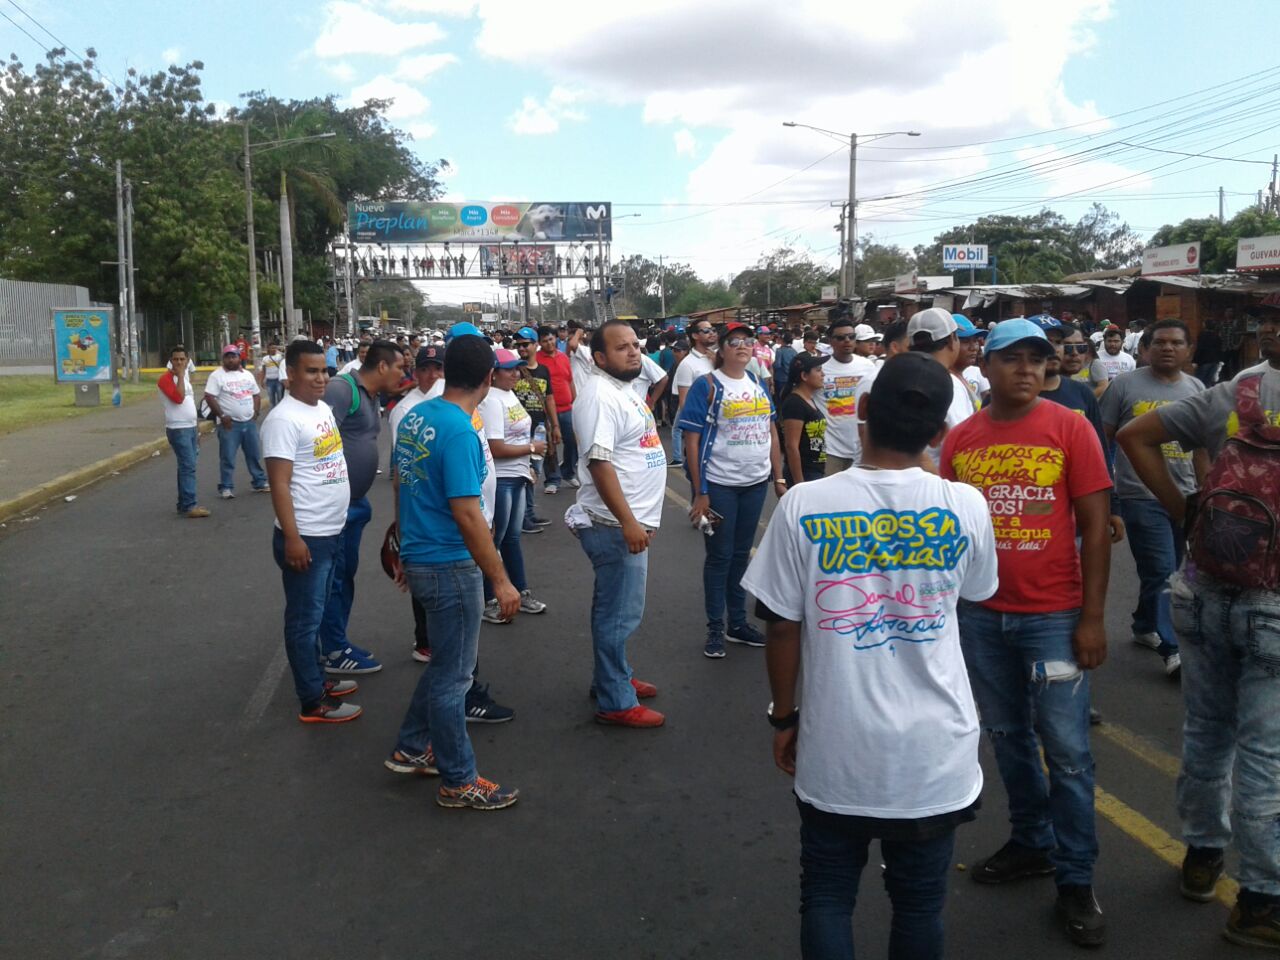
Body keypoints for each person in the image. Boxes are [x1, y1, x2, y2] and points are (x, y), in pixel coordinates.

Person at [742, 352, 999, 960]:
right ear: (939, 432)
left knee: (828, 896)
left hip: (839, 745)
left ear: (861, 415)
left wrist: (784, 717)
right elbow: (976, 594)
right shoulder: (966, 506)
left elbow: (782, 626)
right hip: (935, 753)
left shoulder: (805, 504)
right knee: (919, 902)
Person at [940, 318, 1114, 948]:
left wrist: (1091, 618)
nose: (1026, 369)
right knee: (1009, 737)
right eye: (1012, 359)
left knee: (1067, 754)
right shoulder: (961, 439)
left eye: (1037, 360)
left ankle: (1075, 878)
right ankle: (1031, 843)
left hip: (1053, 617)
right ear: (983, 367)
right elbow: (950, 535)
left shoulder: (1070, 427)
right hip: (982, 616)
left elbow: (1096, 526)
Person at [1117, 313, 1280, 949]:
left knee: (1208, 732)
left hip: (1201, 587)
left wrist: (1183, 512)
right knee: (1266, 756)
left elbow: (1134, 436)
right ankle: (1262, 900)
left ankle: (1202, 858)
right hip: (1272, 604)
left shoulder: (1234, 393)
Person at [384, 334, 521, 809]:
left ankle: (410, 744)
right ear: (488, 378)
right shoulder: (461, 431)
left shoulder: (417, 416)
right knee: (455, 678)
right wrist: (501, 580)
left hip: (423, 555)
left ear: (444, 372)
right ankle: (459, 779)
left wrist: (404, 545)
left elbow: (404, 485)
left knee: (444, 665)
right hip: (448, 563)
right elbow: (467, 513)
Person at [570, 320, 667, 728]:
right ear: (599, 358)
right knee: (619, 614)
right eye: (622, 347)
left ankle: (612, 676)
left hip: (627, 521)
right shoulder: (598, 395)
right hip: (612, 524)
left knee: (615, 609)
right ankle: (615, 699)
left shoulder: (623, 389)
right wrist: (629, 522)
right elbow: (599, 462)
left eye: (635, 345)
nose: (633, 352)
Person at [1100, 319, 1206, 679]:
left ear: (1189, 351)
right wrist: (1106, 490)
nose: (1167, 348)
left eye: (1176, 343)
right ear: (1144, 348)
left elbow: (1204, 446)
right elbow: (1104, 440)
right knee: (1162, 569)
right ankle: (1174, 650)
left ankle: (1144, 624)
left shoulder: (1197, 388)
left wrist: (1205, 492)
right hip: (1138, 493)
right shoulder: (1123, 386)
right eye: (1159, 342)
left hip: (1186, 494)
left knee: (1176, 568)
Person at [261, 339, 360, 724]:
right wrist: (293, 537)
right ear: (290, 375)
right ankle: (312, 700)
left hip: (330, 529)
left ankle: (318, 677)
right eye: (310, 371)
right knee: (303, 620)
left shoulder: (320, 409)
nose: (320, 378)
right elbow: (280, 484)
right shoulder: (284, 420)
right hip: (307, 536)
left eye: (324, 370)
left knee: (316, 615)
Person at [680, 323, 786, 659]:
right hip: (721, 485)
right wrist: (701, 491)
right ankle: (715, 627)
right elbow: (692, 440)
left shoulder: (756, 382)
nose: (743, 346)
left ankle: (737, 623)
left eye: (747, 341)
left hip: (755, 484)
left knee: (742, 555)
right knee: (720, 557)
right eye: (734, 342)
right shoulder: (707, 385)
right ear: (721, 350)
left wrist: (778, 475)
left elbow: (771, 429)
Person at [313, 340, 405, 676]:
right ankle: (333, 650)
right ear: (382, 367)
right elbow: (316, 440)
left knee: (343, 576)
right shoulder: (342, 390)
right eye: (399, 368)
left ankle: (336, 642)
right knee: (334, 579)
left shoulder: (370, 394)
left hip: (353, 504)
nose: (403, 374)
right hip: (336, 508)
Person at [478, 348, 549, 624]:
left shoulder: (509, 396)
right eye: (508, 369)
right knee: (493, 541)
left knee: (512, 539)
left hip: (517, 476)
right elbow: (495, 447)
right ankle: (489, 599)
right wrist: (531, 448)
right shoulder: (491, 401)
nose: (515, 373)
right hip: (502, 479)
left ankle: (520, 592)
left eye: (517, 368)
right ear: (492, 373)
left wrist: (527, 464)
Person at [390, 345, 445, 664]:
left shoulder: (449, 403)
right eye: (426, 368)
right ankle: (423, 640)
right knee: (421, 570)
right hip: (419, 503)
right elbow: (401, 470)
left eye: (438, 368)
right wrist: (401, 522)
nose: (433, 375)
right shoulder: (405, 410)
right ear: (416, 372)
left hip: (445, 501)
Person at [906, 308, 976, 466]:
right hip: (938, 481)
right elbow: (963, 444)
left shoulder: (901, 377)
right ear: (952, 340)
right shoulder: (948, 384)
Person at [203, 344, 269, 499]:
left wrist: (256, 412)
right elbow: (209, 397)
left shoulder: (246, 374)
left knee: (254, 454)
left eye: (234, 356)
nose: (231, 359)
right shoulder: (217, 376)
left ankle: (259, 482)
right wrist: (222, 415)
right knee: (228, 457)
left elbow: (256, 394)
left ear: (240, 358)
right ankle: (226, 487)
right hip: (230, 424)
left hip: (249, 422)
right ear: (223, 359)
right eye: (228, 356)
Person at [512, 326, 558, 532]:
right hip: (517, 431)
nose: (521, 348)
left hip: (539, 428)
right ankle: (522, 518)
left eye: (525, 344)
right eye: (518, 345)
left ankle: (529, 514)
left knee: (534, 473)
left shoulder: (543, 370)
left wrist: (554, 426)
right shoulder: (513, 370)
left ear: (534, 345)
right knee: (524, 474)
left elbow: (549, 398)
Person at [156, 345, 209, 519]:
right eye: (175, 359)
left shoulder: (184, 379)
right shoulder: (165, 379)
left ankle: (183, 503)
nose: (179, 362)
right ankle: (189, 505)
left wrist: (197, 428)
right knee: (188, 466)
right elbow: (178, 399)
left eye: (182, 359)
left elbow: (189, 404)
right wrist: (178, 375)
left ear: (187, 361)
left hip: (190, 427)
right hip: (178, 429)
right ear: (170, 361)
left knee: (186, 466)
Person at [819, 318, 876, 475]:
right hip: (831, 451)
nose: (847, 341)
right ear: (831, 341)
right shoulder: (820, 369)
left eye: (851, 337)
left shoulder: (867, 366)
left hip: (862, 450)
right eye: (841, 337)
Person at [670, 318, 718, 470]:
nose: (711, 333)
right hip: (703, 426)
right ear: (695, 336)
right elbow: (684, 402)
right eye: (706, 331)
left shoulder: (717, 358)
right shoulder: (687, 364)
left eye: (713, 330)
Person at [538, 324, 577, 494]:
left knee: (573, 442)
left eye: (551, 339)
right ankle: (552, 480)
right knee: (550, 445)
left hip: (567, 408)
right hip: (546, 410)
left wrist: (576, 402)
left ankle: (567, 472)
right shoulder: (536, 360)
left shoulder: (563, 358)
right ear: (539, 343)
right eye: (545, 341)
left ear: (556, 339)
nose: (549, 343)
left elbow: (570, 381)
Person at [780, 353, 828, 485]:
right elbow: (791, 446)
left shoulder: (809, 399)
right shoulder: (795, 403)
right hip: (805, 474)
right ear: (804, 376)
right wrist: (799, 484)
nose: (823, 374)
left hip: (815, 470)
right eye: (818, 370)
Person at [1089, 326, 1135, 397]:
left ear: (1122, 342)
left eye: (1116, 341)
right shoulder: (1095, 358)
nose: (1112, 344)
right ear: (1104, 341)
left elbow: (1132, 382)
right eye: (1109, 341)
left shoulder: (1129, 359)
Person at [258, 341, 286, 408]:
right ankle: (272, 413)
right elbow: (263, 371)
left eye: (275, 348)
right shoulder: (265, 359)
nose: (274, 349)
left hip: (279, 381)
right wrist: (261, 381)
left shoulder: (280, 357)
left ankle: (280, 413)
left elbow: (285, 354)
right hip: (269, 382)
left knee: (280, 398)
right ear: (269, 349)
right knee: (271, 400)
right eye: (272, 348)